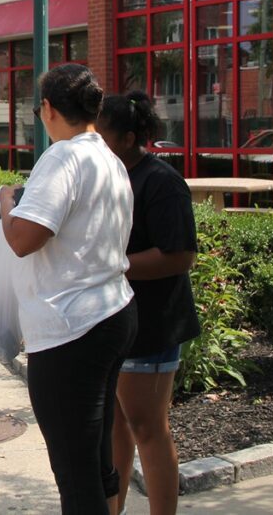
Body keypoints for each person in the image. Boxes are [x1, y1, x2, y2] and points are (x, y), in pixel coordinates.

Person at [0, 63, 137, 514]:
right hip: (113, 313)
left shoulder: (63, 157)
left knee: (75, 473)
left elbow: (23, 239)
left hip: (70, 329)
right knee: (97, 455)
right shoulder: (110, 160)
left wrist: (6, 205)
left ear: (48, 108)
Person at [97, 92, 200, 515]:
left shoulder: (161, 182)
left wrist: (112, 266)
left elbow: (180, 255)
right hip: (115, 321)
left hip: (153, 325)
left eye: (100, 134)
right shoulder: (108, 175)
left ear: (127, 138)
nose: (93, 142)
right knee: (117, 427)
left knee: (148, 428)